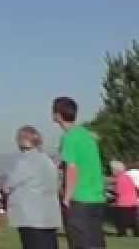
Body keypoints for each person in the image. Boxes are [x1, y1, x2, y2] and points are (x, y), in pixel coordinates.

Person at [54, 96, 105, 249]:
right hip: (96, 197)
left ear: (57, 114)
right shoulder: (86, 135)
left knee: (80, 243)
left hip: (79, 198)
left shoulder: (69, 137)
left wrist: (67, 198)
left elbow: (72, 168)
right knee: (96, 242)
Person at [7, 125, 62, 249]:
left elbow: (8, 184)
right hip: (49, 217)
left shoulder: (25, 161)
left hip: (30, 218)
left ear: (22, 141)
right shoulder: (47, 160)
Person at [110, 160, 137, 237]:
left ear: (116, 170)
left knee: (120, 220)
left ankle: (121, 233)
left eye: (112, 170)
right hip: (133, 202)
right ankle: (136, 233)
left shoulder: (120, 178)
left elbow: (118, 192)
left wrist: (111, 197)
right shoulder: (128, 177)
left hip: (124, 203)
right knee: (133, 220)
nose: (112, 172)